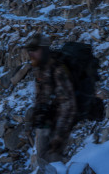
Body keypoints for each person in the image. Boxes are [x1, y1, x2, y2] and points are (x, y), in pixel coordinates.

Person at [25, 34, 78, 166]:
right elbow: (40, 97)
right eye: (30, 50)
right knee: (42, 161)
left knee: (54, 163)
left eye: (34, 50)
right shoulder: (40, 69)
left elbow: (68, 105)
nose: (31, 53)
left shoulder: (57, 69)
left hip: (57, 126)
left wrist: (59, 136)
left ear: (43, 50)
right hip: (45, 124)